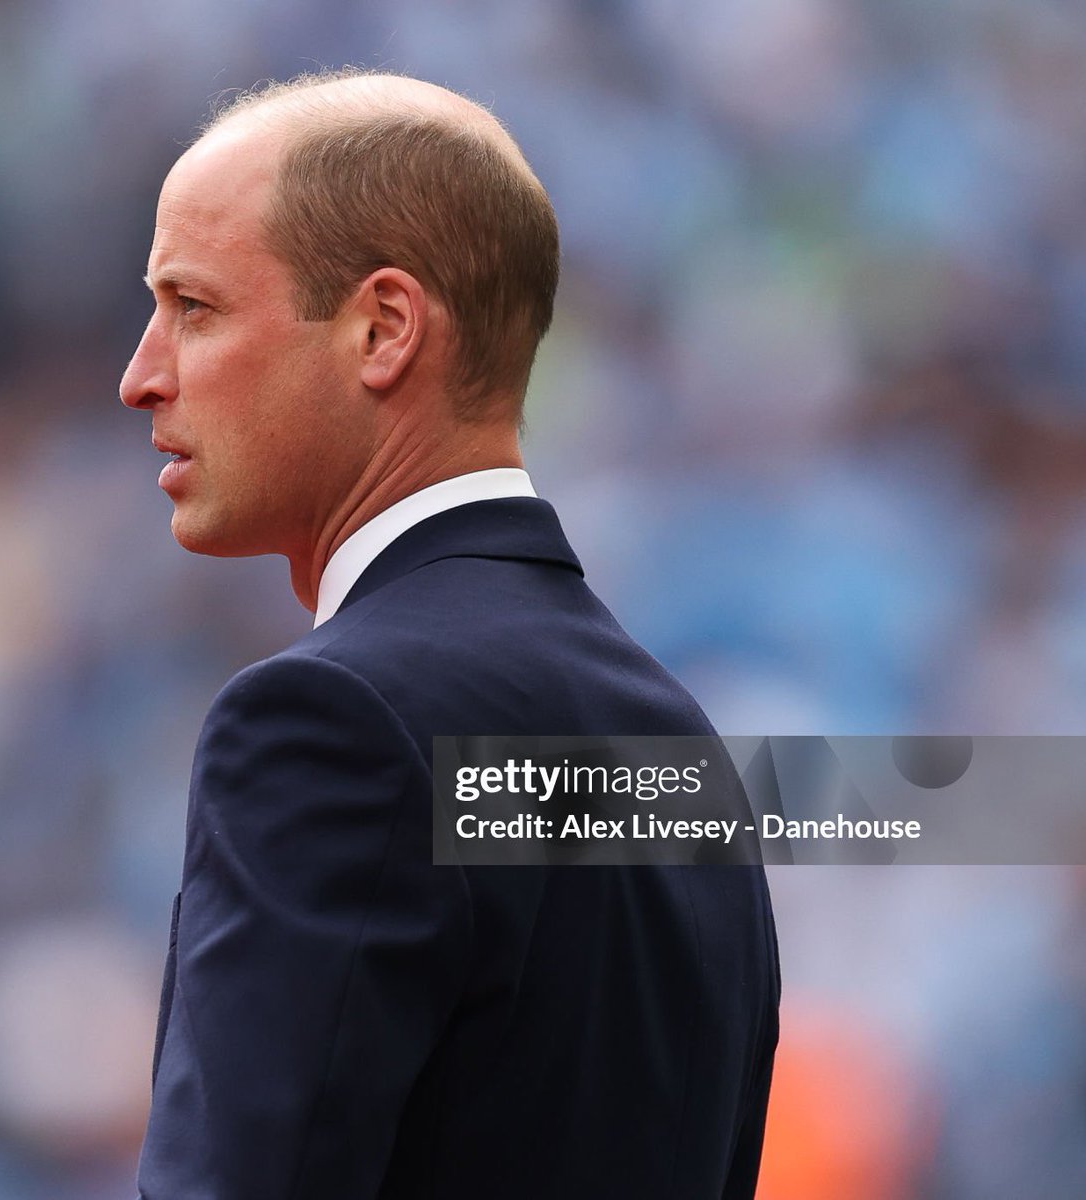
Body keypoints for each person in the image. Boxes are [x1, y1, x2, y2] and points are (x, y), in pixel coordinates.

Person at [120, 69, 779, 1199]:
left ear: (382, 330)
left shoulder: (331, 723)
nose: (142, 376)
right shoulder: (685, 756)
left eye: (195, 307)